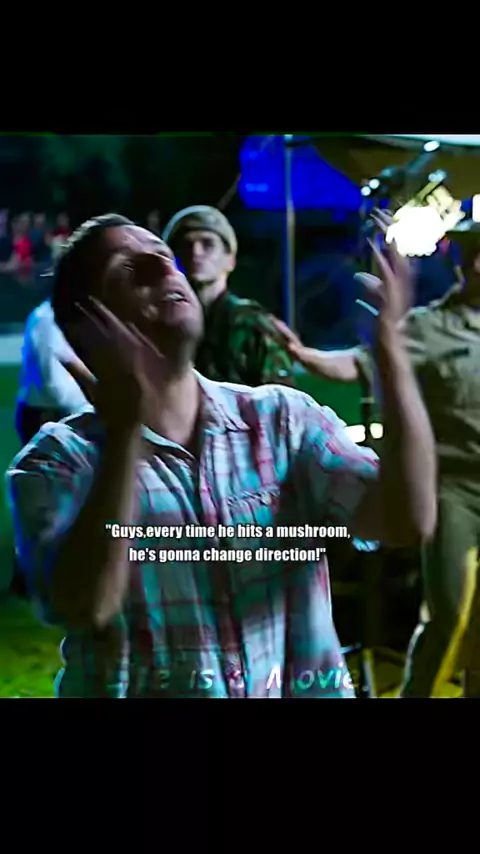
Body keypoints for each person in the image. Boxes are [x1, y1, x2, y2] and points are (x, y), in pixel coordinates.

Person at [5, 213, 436, 698]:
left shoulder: (281, 420)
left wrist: (389, 352)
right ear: (87, 329)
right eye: (129, 268)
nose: (164, 266)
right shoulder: (56, 462)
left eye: (163, 256)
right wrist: (123, 433)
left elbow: (407, 520)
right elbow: (84, 606)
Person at [271, 227, 480, 698]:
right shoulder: (430, 327)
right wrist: (303, 355)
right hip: (454, 491)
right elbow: (360, 363)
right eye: (474, 253)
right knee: (449, 613)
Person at [162, 205, 295, 386]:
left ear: (230, 260)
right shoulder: (163, 321)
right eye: (186, 245)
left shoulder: (251, 325)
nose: (196, 252)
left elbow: (279, 396)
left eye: (207, 244)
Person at [15, 299, 88, 445]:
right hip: (50, 413)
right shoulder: (48, 317)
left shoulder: (58, 315)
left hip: (55, 410)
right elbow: (52, 380)